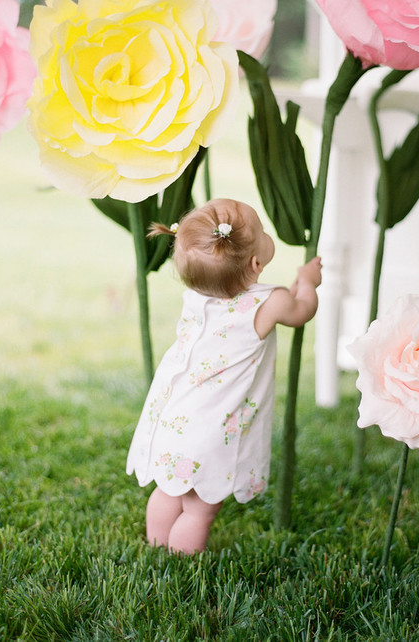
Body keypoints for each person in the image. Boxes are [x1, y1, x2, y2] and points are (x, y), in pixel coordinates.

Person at [126, 198, 322, 554]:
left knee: (168, 491)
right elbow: (302, 310)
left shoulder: (196, 295)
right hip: (211, 431)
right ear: (255, 263)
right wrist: (307, 281)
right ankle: (181, 563)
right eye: (262, 231)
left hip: (175, 418)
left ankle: (156, 550)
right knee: (200, 509)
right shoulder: (272, 301)